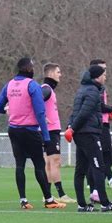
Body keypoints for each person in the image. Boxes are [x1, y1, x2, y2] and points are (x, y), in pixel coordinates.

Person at [0, 57, 66, 210]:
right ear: (27, 69)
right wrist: (46, 137)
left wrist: (9, 110)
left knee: (19, 165)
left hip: (14, 130)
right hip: (30, 131)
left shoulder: (9, 85)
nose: (34, 69)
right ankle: (48, 199)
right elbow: (40, 113)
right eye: (32, 67)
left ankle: (23, 201)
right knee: (39, 165)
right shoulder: (32, 85)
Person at [65, 65, 112, 212]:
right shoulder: (92, 91)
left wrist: (71, 126)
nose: (105, 77)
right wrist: (72, 128)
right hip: (88, 134)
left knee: (80, 170)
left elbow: (78, 112)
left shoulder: (82, 90)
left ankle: (82, 205)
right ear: (97, 76)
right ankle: (105, 203)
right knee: (98, 167)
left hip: (81, 134)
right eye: (104, 74)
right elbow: (84, 113)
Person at [87, 59, 112, 203]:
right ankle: (96, 189)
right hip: (98, 126)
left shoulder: (100, 87)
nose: (105, 73)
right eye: (103, 69)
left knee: (103, 157)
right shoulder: (95, 88)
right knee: (100, 157)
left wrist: (109, 115)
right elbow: (99, 106)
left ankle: (96, 187)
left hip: (103, 123)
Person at [41, 63, 76, 203]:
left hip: (49, 131)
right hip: (50, 131)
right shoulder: (46, 89)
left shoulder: (48, 89)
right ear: (50, 74)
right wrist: (41, 116)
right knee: (54, 162)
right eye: (58, 72)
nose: (60, 74)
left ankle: (47, 195)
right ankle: (61, 195)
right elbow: (35, 101)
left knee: (50, 163)